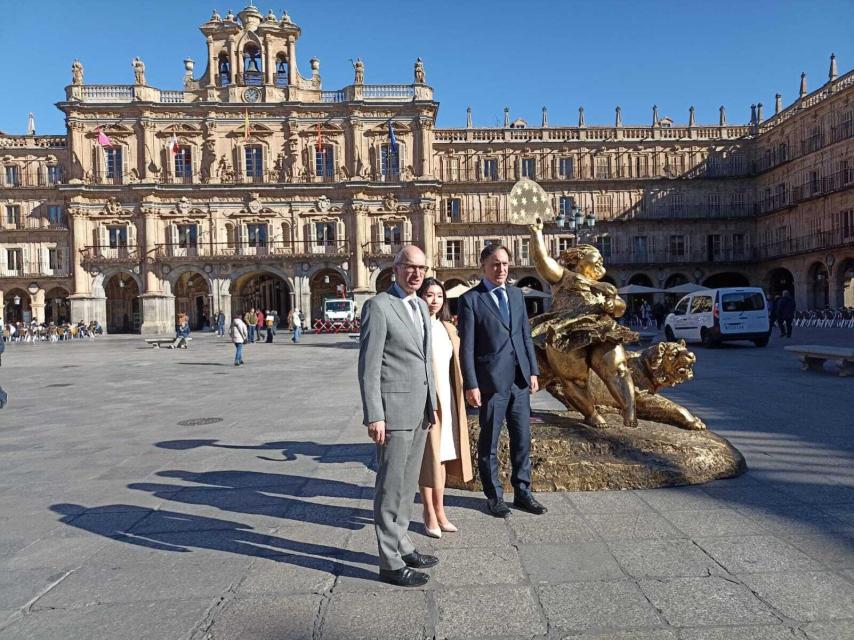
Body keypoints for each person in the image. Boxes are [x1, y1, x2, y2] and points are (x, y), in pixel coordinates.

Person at [358, 245, 438, 587]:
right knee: (390, 487)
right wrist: (374, 415)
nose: (416, 274)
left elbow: (424, 360)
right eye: (410, 267)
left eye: (421, 268)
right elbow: (368, 367)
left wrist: (432, 404)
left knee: (408, 487)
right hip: (393, 412)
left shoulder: (421, 305)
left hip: (420, 409)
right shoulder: (378, 306)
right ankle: (389, 562)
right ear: (396, 268)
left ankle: (403, 542)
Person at [457, 244, 545, 518]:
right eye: (495, 264)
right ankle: (494, 496)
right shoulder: (471, 299)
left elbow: (524, 336)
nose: (502, 269)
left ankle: (523, 492)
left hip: (519, 380)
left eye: (505, 264)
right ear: (483, 265)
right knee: (489, 441)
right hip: (490, 383)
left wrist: (533, 371)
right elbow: (467, 347)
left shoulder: (517, 294)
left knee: (522, 439)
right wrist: (471, 384)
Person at [417, 278, 473, 538]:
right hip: (426, 401)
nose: (435, 300)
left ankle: (441, 511)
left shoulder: (447, 328)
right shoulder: (416, 326)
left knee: (442, 456)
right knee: (429, 458)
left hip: (448, 399)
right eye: (429, 295)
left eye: (439, 295)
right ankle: (428, 511)